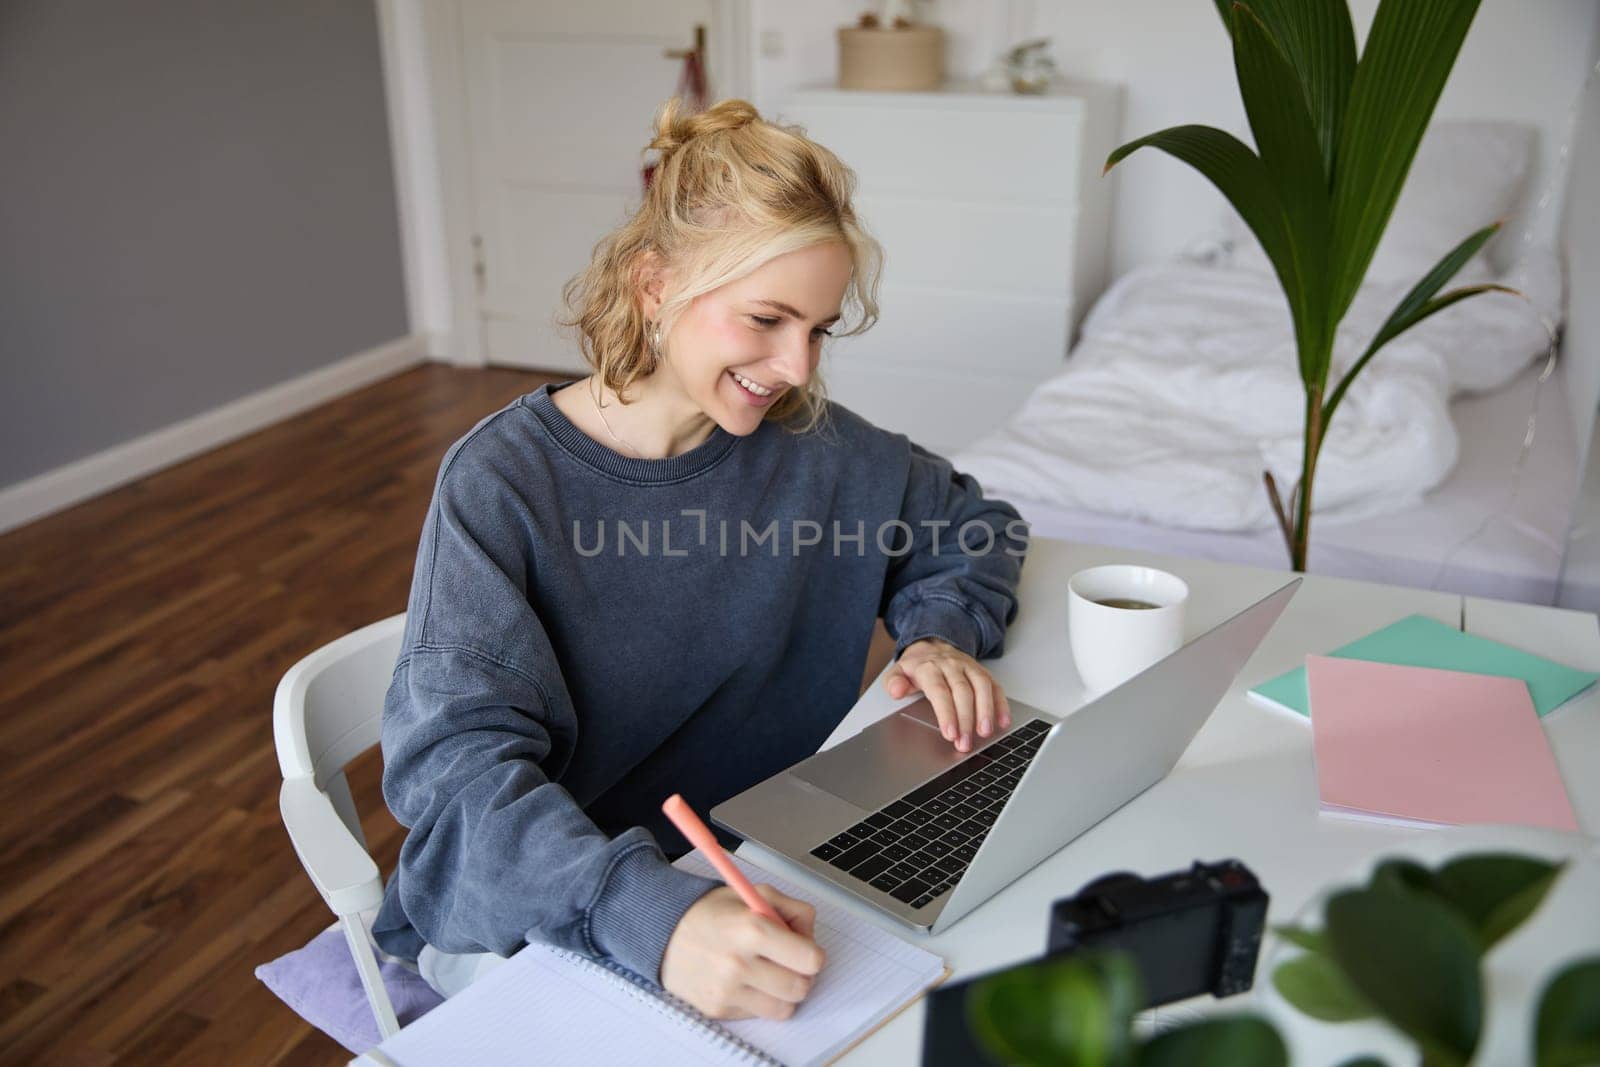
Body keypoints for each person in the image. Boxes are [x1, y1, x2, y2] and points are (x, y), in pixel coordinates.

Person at [374, 96, 1028, 1022]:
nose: (797, 366)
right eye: (766, 317)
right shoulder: (504, 482)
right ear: (655, 287)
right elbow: (458, 787)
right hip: (563, 910)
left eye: (819, 328)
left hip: (772, 866)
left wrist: (941, 636)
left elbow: (977, 527)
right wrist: (647, 914)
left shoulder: (816, 447)